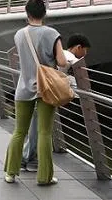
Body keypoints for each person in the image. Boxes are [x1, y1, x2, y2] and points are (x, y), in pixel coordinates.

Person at [4, 0, 69, 186]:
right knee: (44, 132)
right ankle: (44, 176)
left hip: (23, 88)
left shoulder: (19, 34)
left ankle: (10, 172)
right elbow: (62, 62)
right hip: (45, 89)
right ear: (45, 13)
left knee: (19, 131)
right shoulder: (51, 33)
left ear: (27, 14)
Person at [22, 34, 91, 171]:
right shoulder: (73, 60)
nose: (85, 54)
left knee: (36, 128)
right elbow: (76, 83)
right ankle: (26, 160)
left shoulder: (59, 55)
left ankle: (27, 159)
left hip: (39, 91)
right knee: (39, 129)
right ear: (78, 47)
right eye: (85, 50)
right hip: (48, 95)